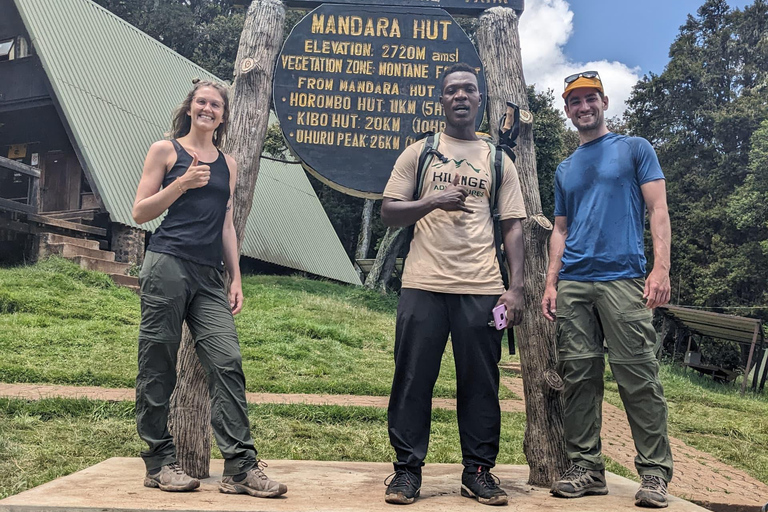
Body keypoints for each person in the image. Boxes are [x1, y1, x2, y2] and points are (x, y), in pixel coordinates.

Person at [380, 63, 527, 506]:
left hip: (481, 287)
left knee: (481, 384)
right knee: (412, 379)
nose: (460, 96)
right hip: (422, 284)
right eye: (451, 91)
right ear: (441, 100)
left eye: (468, 90)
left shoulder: (499, 161)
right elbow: (389, 210)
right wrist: (431, 201)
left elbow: (514, 227)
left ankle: (478, 472)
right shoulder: (419, 152)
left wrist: (515, 287)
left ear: (479, 99)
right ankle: (407, 472)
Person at [131, 80, 286, 498]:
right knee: (158, 362)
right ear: (190, 107)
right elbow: (140, 210)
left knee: (227, 360)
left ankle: (240, 467)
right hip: (166, 264)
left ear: (223, 116)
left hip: (209, 275)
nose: (208, 108)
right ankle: (159, 462)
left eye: (216, 105)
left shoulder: (228, 164)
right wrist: (181, 183)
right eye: (202, 101)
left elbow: (226, 224)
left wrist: (235, 277)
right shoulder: (166, 151)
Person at [540, 71, 673, 508]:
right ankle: (587, 469)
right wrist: (551, 281)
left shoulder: (635, 148)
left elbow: (658, 209)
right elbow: (560, 229)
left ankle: (654, 475)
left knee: (638, 376)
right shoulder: (565, 168)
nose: (583, 107)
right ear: (567, 110)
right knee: (579, 377)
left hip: (624, 278)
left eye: (590, 99)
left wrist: (661, 270)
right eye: (575, 102)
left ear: (604, 102)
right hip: (575, 282)